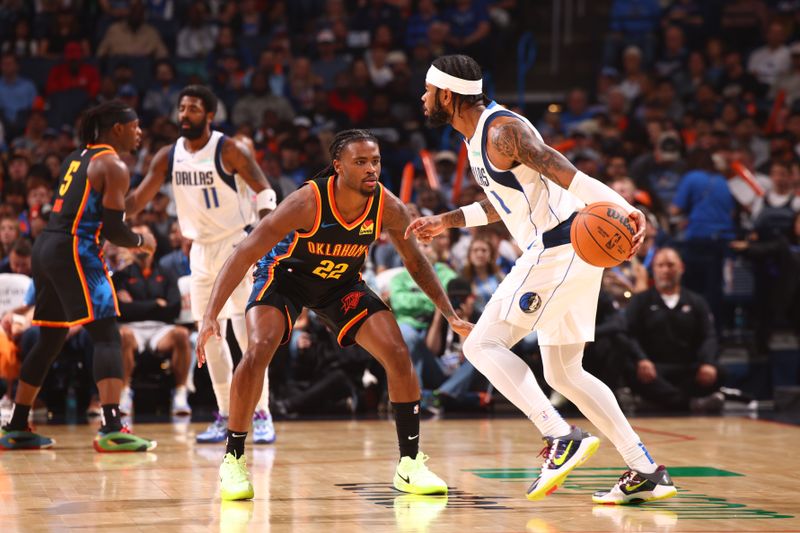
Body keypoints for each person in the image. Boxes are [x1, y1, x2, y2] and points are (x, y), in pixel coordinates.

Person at [407, 54, 677, 505]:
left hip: (560, 246)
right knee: (564, 371)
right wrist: (448, 220)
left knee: (480, 345)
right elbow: (506, 200)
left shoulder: (502, 130)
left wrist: (625, 209)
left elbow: (566, 172)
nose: (423, 97)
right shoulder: (477, 138)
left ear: (448, 96)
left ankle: (560, 435)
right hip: (569, 250)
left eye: (428, 90)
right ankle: (646, 470)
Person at [195, 129, 472, 501]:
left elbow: (416, 263)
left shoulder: (388, 207)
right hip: (285, 277)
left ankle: (409, 464)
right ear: (338, 167)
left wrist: (450, 313)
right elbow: (245, 251)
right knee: (259, 346)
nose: (371, 169)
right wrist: (210, 314)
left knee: (398, 352)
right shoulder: (307, 201)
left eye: (375, 161)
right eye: (360, 162)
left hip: (339, 284)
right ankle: (233, 459)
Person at [0, 100, 157, 451]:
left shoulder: (76, 157)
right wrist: (142, 241)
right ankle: (112, 427)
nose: (139, 133)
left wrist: (147, 189)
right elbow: (115, 229)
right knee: (106, 334)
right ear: (117, 129)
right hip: (75, 249)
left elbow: (105, 210)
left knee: (51, 339)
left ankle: (16, 424)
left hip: (47, 247)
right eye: (135, 127)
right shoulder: (113, 164)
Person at [126, 85, 278, 445]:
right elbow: (137, 200)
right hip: (200, 251)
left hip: (238, 243)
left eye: (192, 109)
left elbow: (265, 191)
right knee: (208, 337)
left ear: (209, 115)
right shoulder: (168, 155)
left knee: (247, 335)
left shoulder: (230, 149)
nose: (184, 115)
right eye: (181, 108)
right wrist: (106, 211)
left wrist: (266, 232)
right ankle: (226, 415)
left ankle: (261, 413)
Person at [624, 247, 724, 413]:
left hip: (687, 368)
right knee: (628, 368)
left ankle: (658, 402)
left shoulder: (696, 301)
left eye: (670, 265)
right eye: (660, 265)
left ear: (681, 268)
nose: (665, 270)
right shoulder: (641, 301)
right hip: (653, 369)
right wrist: (642, 359)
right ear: (653, 269)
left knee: (719, 371)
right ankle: (691, 404)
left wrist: (708, 362)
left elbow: (709, 335)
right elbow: (630, 334)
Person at [115, 224, 192, 416]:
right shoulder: (121, 276)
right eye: (135, 240)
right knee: (122, 335)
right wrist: (156, 304)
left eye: (143, 239)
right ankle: (124, 392)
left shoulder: (167, 273)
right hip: (131, 328)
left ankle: (180, 393)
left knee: (182, 335)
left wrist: (137, 306)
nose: (139, 245)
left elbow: (173, 308)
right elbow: (121, 311)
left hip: (161, 329)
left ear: (154, 244)